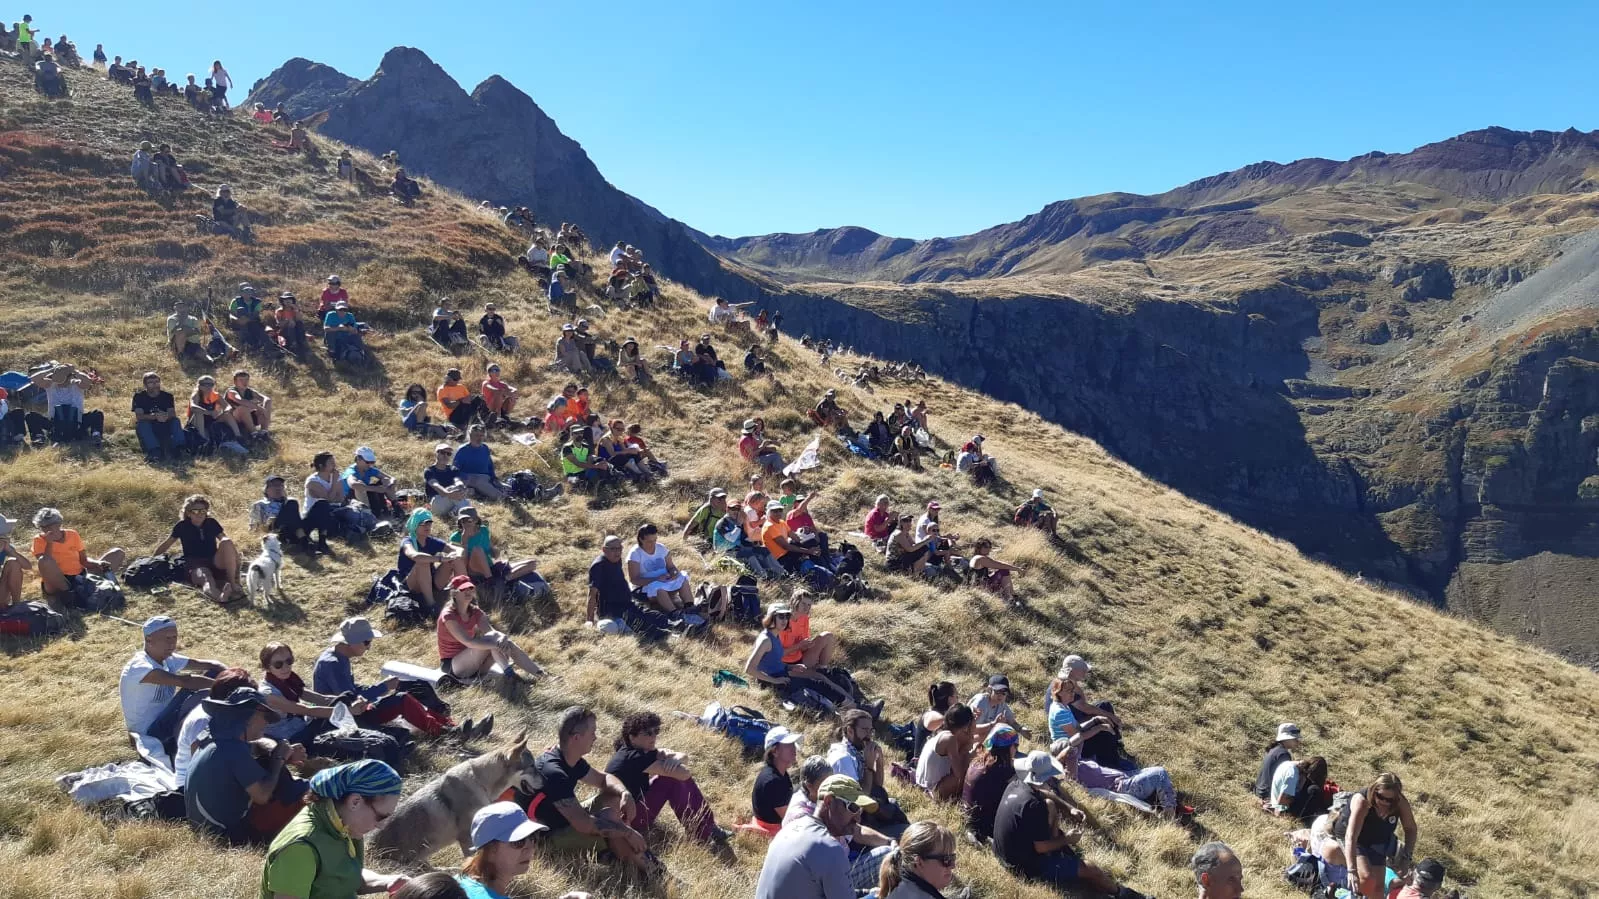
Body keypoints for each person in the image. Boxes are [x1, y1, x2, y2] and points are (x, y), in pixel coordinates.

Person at [993, 751, 1150, 898]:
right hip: (1021, 866)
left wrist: (1069, 808)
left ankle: (1058, 855)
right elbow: (1039, 847)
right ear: (1044, 779)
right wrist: (1068, 839)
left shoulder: (1017, 784)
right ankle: (1122, 893)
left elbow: (1044, 794)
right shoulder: (1034, 806)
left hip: (1003, 851)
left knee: (1050, 803)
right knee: (1090, 869)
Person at [523, 706, 654, 874]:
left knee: (612, 800)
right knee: (611, 820)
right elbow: (584, 824)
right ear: (576, 738)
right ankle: (650, 870)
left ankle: (628, 860)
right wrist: (628, 833)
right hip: (547, 838)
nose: (595, 737)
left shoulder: (570, 758)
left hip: (565, 820)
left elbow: (603, 778)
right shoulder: (554, 773)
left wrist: (624, 793)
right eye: (592, 732)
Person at [260, 760, 408, 897]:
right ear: (355, 802)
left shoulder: (342, 823)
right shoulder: (301, 849)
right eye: (380, 816)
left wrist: (388, 881)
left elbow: (343, 876)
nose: (381, 825)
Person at [313, 617, 469, 740]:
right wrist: (382, 688)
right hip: (346, 718)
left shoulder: (340, 656)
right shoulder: (333, 664)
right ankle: (445, 732)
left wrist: (381, 687)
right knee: (402, 700)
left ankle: (451, 726)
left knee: (416, 688)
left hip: (353, 712)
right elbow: (350, 700)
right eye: (366, 642)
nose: (369, 647)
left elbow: (351, 690)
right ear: (351, 642)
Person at [185, 686, 304, 844]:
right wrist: (278, 758)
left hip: (202, 830)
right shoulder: (233, 749)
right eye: (265, 717)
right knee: (300, 800)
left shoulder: (209, 737)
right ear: (250, 717)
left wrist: (278, 753)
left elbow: (252, 748)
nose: (266, 723)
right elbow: (262, 795)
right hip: (225, 837)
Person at [605, 712, 730, 845]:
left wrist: (676, 759)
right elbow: (684, 773)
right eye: (648, 733)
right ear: (632, 737)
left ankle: (707, 827)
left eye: (656, 731)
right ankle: (703, 833)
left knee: (669, 777)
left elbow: (683, 756)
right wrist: (674, 765)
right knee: (670, 780)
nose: (654, 736)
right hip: (627, 819)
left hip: (627, 811)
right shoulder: (634, 757)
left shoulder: (637, 749)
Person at [119, 616, 225, 764]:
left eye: (174, 637)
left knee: (214, 675)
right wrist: (226, 687)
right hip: (150, 733)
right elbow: (185, 681)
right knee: (193, 690)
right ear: (149, 640)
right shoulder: (140, 667)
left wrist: (232, 674)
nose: (172, 643)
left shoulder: (166, 658)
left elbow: (210, 665)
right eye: (167, 638)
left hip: (166, 719)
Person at [753, 774, 876, 899]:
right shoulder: (831, 849)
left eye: (860, 810)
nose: (858, 818)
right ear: (829, 801)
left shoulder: (791, 827)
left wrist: (869, 893)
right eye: (853, 807)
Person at [1052, 716, 1179, 818]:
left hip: (1126, 777)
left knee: (1153, 771)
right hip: (1124, 787)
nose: (1074, 748)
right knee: (1159, 773)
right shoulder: (1070, 770)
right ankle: (1169, 814)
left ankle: (1171, 803)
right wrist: (1065, 754)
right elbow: (1071, 762)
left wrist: (1096, 721)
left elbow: (1079, 737)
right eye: (1069, 748)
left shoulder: (1079, 760)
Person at [436, 576, 545, 683]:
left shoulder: (475, 611)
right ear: (454, 593)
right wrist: (496, 645)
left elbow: (490, 631)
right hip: (453, 667)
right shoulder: (448, 615)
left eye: (470, 588)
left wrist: (503, 638)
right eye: (463, 589)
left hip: (475, 663)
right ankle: (511, 674)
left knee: (501, 641)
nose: (468, 592)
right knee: (493, 642)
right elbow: (468, 642)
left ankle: (540, 675)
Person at [745, 605, 855, 709]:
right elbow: (749, 669)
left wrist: (790, 667)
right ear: (771, 618)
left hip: (783, 676)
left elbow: (771, 662)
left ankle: (852, 704)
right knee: (818, 687)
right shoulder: (765, 640)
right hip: (775, 684)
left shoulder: (775, 635)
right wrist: (775, 680)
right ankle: (852, 707)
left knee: (819, 683)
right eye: (780, 616)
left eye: (787, 616)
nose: (785, 620)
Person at [1047, 654, 1133, 771]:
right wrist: (1100, 725)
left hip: (1073, 727)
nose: (1085, 672)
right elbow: (1077, 734)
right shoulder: (1062, 704)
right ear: (1072, 671)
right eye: (1083, 670)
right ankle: (1112, 765)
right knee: (1103, 731)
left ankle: (1115, 745)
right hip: (1072, 745)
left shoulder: (1064, 688)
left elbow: (1082, 704)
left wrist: (1096, 720)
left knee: (1104, 708)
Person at [152, 494, 242, 603]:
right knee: (206, 578)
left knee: (226, 541)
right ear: (188, 513)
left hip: (214, 560)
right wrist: (152, 559)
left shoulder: (211, 523)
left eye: (203, 511)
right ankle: (220, 597)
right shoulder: (182, 526)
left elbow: (226, 542)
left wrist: (235, 558)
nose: (200, 514)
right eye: (195, 511)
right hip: (195, 563)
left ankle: (233, 582)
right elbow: (167, 544)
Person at [1342, 772, 1418, 899]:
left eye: (1389, 800)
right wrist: (1352, 870)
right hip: (1356, 839)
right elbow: (1351, 836)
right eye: (1380, 796)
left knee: (1378, 889)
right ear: (1374, 790)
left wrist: (1407, 857)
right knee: (1367, 878)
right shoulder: (1362, 802)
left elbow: (1411, 829)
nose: (1384, 802)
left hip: (1378, 840)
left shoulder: (1400, 803)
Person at [453, 802, 548, 899]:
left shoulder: (453, 885)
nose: (531, 848)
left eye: (533, 837)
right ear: (490, 848)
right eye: (519, 841)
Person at [29, 507, 124, 600]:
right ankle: (71, 593)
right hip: (56, 581)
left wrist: (97, 563)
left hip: (79, 576)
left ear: (58, 524)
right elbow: (45, 564)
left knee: (117, 553)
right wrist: (49, 543)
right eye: (42, 527)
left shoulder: (72, 534)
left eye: (49, 526)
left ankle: (89, 587)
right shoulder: (39, 540)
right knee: (44, 561)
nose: (45, 529)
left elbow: (84, 560)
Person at [827, 710, 903, 825]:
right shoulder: (843, 759)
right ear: (850, 731)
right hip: (853, 820)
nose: (869, 735)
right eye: (864, 730)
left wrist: (879, 760)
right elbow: (859, 800)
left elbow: (878, 786)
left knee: (893, 806)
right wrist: (869, 766)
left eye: (871, 730)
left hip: (867, 808)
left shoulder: (857, 748)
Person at [451, 506, 544, 592]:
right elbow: (461, 564)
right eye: (463, 521)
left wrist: (495, 552)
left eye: (469, 520)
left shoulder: (483, 530)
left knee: (532, 563)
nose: (466, 523)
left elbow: (491, 550)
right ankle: (491, 582)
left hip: (490, 568)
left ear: (476, 520)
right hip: (473, 572)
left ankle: (503, 580)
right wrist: (464, 542)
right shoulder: (455, 538)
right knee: (478, 550)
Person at [962, 723, 1019, 843]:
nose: (1016, 749)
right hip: (985, 824)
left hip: (968, 816)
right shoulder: (1002, 770)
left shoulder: (980, 760)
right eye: (1016, 746)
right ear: (1009, 748)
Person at [878, 821, 960, 899]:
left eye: (952, 857)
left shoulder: (900, 881)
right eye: (946, 859)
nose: (953, 865)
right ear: (919, 862)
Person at [400, 509, 464, 607]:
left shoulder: (431, 541)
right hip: (412, 584)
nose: (427, 526)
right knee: (423, 562)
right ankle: (432, 605)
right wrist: (440, 559)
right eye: (423, 523)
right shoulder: (407, 541)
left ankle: (464, 593)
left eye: (429, 523)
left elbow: (456, 549)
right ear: (415, 524)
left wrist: (456, 555)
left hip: (432, 581)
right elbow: (414, 556)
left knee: (455, 559)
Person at [626, 523, 692, 615]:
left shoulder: (661, 548)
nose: (653, 544)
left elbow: (671, 567)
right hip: (646, 587)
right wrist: (656, 579)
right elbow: (634, 580)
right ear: (641, 539)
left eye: (655, 540)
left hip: (666, 580)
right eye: (649, 541)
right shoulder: (635, 553)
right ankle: (675, 613)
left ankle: (690, 606)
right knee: (658, 587)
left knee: (683, 578)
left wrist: (674, 573)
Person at [29, 362, 103, 444]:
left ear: (70, 377)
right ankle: (38, 437)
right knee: (31, 416)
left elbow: (88, 381)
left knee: (97, 414)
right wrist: (52, 370)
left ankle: (96, 435)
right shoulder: (50, 384)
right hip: (55, 424)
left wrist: (75, 371)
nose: (61, 382)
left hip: (77, 423)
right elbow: (33, 378)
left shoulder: (77, 384)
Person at [917, 703, 977, 800]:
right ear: (965, 727)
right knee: (964, 775)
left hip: (923, 783)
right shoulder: (950, 738)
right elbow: (959, 774)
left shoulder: (943, 732)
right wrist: (965, 751)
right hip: (931, 789)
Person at [779, 590, 839, 671]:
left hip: (801, 658)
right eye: (803, 604)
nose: (806, 608)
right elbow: (777, 654)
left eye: (809, 605)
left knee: (828, 636)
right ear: (794, 602)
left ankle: (823, 669)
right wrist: (799, 646)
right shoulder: (782, 622)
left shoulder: (804, 618)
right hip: (785, 664)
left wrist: (807, 645)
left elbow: (803, 646)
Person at [130, 372, 183, 460]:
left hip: (165, 422)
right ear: (145, 385)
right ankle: (154, 451)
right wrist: (155, 416)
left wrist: (165, 416)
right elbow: (139, 416)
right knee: (141, 424)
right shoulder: (139, 397)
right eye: (151, 382)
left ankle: (179, 448)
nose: (155, 385)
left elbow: (172, 413)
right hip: (149, 424)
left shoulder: (167, 396)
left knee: (176, 421)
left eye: (157, 382)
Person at [187, 374, 248, 452]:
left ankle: (238, 436)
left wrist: (226, 410)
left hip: (211, 421)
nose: (208, 387)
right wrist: (208, 412)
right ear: (199, 386)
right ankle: (203, 440)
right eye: (205, 384)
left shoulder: (215, 395)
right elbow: (193, 407)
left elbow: (227, 406)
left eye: (211, 384)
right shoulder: (196, 395)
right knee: (199, 413)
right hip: (196, 422)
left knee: (227, 415)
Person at [453, 425, 507, 500]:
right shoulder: (462, 450)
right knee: (478, 482)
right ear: (470, 435)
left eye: (482, 435)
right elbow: (455, 470)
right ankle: (502, 498)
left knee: (505, 487)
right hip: (469, 478)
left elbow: (490, 466)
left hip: (485, 478)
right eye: (476, 435)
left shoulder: (485, 448)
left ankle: (477, 493)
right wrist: (467, 477)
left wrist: (494, 478)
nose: (479, 438)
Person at [1269, 755, 1329, 823]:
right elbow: (1282, 801)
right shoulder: (1292, 775)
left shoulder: (1288, 764)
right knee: (1314, 790)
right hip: (1282, 810)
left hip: (1276, 802)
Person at [344, 446, 399, 520]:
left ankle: (397, 508)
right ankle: (367, 514)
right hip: (349, 499)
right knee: (359, 485)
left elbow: (391, 478)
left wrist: (390, 484)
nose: (370, 464)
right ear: (358, 459)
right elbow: (353, 485)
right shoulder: (351, 472)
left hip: (364, 496)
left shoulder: (369, 469)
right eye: (367, 462)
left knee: (386, 480)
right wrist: (376, 489)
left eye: (372, 462)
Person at [1254, 722, 1301, 801]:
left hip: (1260, 791)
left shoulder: (1275, 750)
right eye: (1295, 739)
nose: (1298, 742)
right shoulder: (1283, 754)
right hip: (1268, 796)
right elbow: (1284, 780)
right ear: (1286, 739)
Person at [423, 443, 473, 518]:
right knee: (454, 490)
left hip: (451, 501)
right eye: (443, 452)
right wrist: (448, 493)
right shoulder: (429, 471)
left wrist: (462, 488)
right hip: (436, 503)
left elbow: (457, 480)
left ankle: (457, 514)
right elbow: (435, 485)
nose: (445, 456)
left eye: (448, 454)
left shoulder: (453, 469)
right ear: (436, 454)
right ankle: (468, 516)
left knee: (459, 491)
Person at [969, 538, 1025, 604]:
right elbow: (1001, 565)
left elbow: (995, 563)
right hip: (982, 587)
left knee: (1001, 571)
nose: (988, 549)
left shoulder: (977, 557)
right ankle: (1009, 598)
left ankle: (1012, 594)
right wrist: (1018, 569)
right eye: (986, 547)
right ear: (978, 547)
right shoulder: (980, 558)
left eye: (990, 546)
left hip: (981, 584)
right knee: (1004, 571)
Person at [225, 370, 273, 439]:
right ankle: (254, 434)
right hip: (234, 419)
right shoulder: (231, 391)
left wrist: (264, 408)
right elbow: (240, 400)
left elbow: (265, 399)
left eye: (246, 379)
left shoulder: (249, 391)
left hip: (249, 416)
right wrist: (259, 408)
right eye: (241, 380)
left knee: (268, 402)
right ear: (235, 382)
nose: (244, 382)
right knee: (243, 408)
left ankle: (264, 431)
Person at [228, 284, 270, 351]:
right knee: (241, 310)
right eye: (246, 291)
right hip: (238, 321)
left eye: (250, 291)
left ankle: (267, 348)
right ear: (241, 293)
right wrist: (238, 320)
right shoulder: (235, 301)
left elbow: (256, 314)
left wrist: (246, 320)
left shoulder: (257, 302)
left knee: (260, 330)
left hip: (251, 321)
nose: (248, 293)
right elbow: (231, 314)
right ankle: (248, 346)